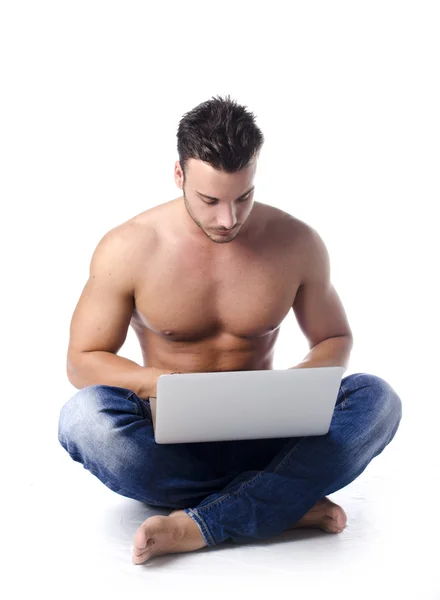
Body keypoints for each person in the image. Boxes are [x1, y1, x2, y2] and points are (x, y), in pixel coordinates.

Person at [58, 94, 402, 565]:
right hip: (170, 444)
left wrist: (299, 382)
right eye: (210, 200)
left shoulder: (296, 242)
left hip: (270, 436)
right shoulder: (129, 247)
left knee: (377, 400)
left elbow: (334, 339)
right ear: (179, 174)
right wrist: (159, 383)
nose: (228, 218)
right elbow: (82, 359)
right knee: (83, 420)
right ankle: (282, 502)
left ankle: (207, 520)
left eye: (244, 196)